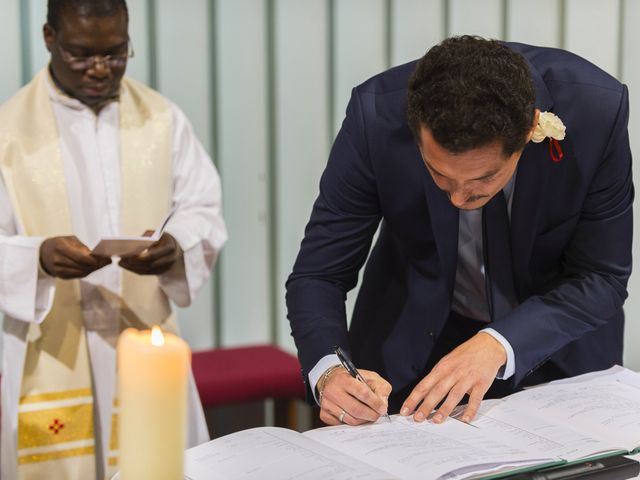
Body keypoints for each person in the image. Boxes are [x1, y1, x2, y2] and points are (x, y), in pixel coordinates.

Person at [286, 36, 632, 428]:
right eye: (440, 176)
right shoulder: (375, 116)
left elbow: (601, 276)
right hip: (410, 356)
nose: (459, 198)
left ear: (527, 135)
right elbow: (319, 274)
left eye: (484, 179)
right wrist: (329, 370)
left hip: (556, 355)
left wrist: (499, 343)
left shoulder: (595, 111)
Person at [0, 0, 227, 478]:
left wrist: (175, 247)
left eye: (116, 53)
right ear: (49, 38)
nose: (101, 69)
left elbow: (202, 210)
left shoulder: (162, 119)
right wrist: (37, 257)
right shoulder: (9, 133)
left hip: (143, 334)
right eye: (82, 54)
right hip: (50, 347)